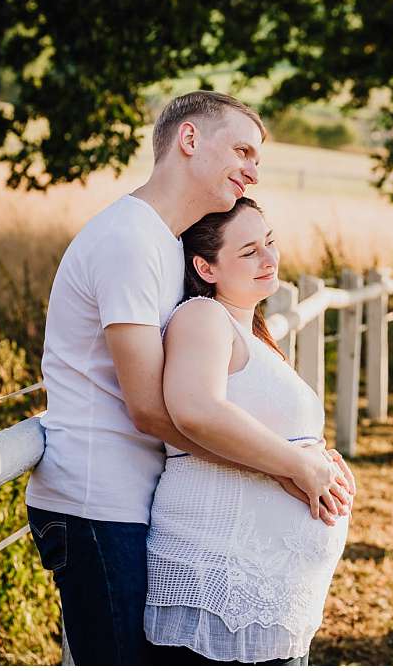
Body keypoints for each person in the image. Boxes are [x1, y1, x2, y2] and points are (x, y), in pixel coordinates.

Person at [26, 91, 351, 665]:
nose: (253, 170)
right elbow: (154, 410)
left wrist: (303, 456)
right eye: (243, 150)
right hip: (97, 502)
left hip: (133, 498)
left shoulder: (163, 242)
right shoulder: (128, 240)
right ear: (190, 140)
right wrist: (290, 466)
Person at [145, 199, 352, 664]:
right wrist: (299, 463)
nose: (269, 259)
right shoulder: (201, 317)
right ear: (206, 266)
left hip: (265, 593)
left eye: (270, 243)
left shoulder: (250, 333)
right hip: (220, 581)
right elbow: (195, 410)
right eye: (249, 251)